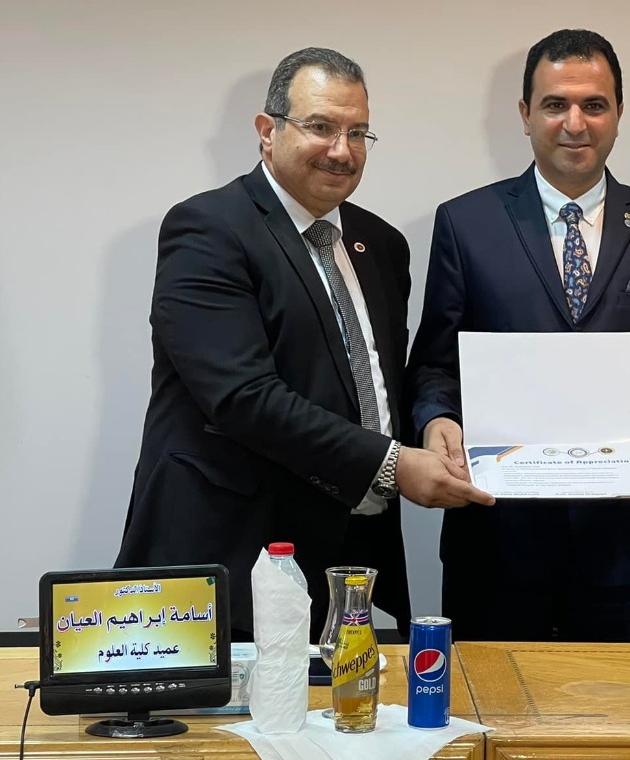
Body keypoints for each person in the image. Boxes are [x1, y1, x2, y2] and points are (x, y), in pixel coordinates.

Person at [115, 47, 492, 642]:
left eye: (358, 132)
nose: (342, 150)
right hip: (236, 556)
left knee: (355, 701)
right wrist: (393, 464)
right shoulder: (208, 229)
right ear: (268, 131)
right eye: (321, 126)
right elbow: (243, 397)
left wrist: (434, 422)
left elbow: (377, 380)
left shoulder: (380, 244)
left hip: (351, 558)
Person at [407, 29, 630, 642]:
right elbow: (434, 364)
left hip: (628, 550)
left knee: (621, 705)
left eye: (594, 105)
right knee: (489, 703)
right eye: (555, 104)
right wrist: (435, 420)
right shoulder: (466, 223)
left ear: (619, 113)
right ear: (525, 113)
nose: (575, 123)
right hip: (495, 541)